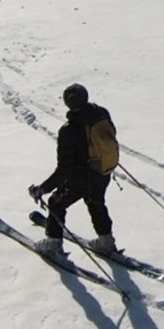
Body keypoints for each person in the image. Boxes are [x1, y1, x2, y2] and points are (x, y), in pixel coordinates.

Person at [29, 83, 118, 256]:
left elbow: (64, 168)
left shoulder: (69, 130)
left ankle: (53, 244)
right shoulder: (101, 113)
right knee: (96, 202)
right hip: (103, 169)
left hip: (81, 177)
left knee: (56, 202)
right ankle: (106, 241)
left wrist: (43, 189)